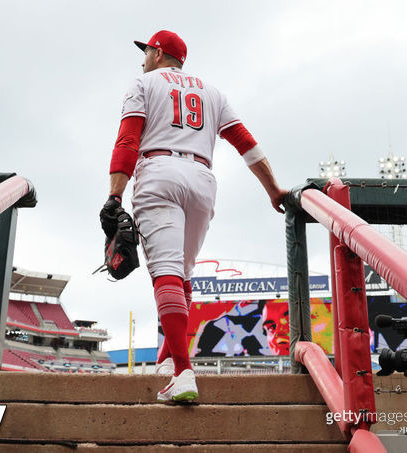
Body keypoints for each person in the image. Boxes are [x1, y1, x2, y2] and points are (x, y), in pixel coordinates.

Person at [100, 30, 287, 402]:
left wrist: (114, 195)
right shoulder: (211, 91)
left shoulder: (143, 83)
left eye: (146, 51)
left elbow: (128, 141)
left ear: (157, 53)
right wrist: (273, 189)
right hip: (202, 178)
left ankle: (184, 373)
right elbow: (247, 144)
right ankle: (169, 360)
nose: (142, 58)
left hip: (159, 171)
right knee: (182, 275)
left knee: (167, 272)